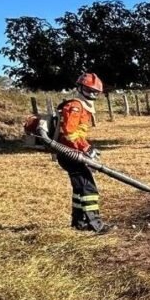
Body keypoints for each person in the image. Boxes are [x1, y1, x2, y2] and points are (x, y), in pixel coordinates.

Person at [57, 73, 107, 233]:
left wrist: (86, 149)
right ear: (80, 88)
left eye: (95, 92)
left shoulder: (82, 106)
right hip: (69, 153)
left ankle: (79, 222)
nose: (92, 94)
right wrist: (86, 148)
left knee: (80, 188)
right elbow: (69, 133)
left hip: (72, 152)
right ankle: (95, 225)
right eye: (88, 90)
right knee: (88, 189)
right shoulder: (76, 106)